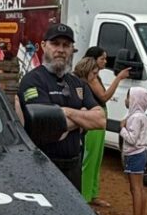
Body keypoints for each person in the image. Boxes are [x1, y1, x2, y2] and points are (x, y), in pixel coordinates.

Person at [15, 23, 105, 189]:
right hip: (42, 166)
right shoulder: (33, 80)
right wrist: (82, 117)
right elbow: (45, 126)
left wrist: (64, 112)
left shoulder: (77, 83)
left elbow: (100, 119)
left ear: (72, 49)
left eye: (66, 45)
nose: (61, 50)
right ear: (44, 46)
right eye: (55, 44)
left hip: (74, 167)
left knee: (74, 214)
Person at [74, 47, 131, 207]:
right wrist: (118, 78)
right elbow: (104, 97)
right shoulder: (90, 78)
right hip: (93, 120)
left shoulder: (95, 76)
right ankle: (85, 197)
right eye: (102, 58)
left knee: (97, 158)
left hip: (99, 118)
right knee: (90, 158)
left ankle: (92, 194)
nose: (105, 61)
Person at [119, 87, 147, 215]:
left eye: (128, 97)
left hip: (135, 155)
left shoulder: (135, 117)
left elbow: (132, 139)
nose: (126, 100)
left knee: (135, 189)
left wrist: (122, 129)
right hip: (140, 154)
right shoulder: (140, 116)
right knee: (140, 188)